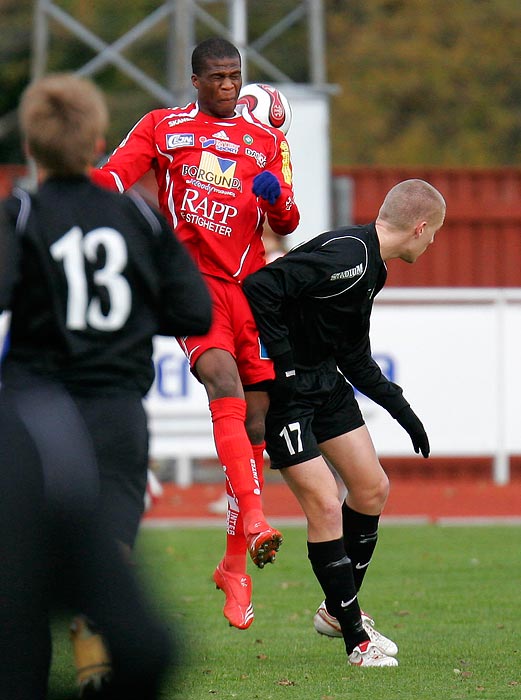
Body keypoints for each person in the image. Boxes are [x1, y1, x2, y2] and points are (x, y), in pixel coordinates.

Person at [0, 72, 212, 697]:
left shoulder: (24, 211)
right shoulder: (137, 215)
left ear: (31, 147)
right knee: (106, 558)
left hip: (38, 420)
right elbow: (194, 313)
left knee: (21, 584)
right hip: (119, 418)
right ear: (97, 141)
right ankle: (100, 645)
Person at [92, 37, 300, 630]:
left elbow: (287, 219)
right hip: (193, 284)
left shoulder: (267, 140)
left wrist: (275, 196)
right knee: (221, 378)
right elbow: (114, 177)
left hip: (252, 288)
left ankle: (234, 566)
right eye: (217, 77)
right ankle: (256, 518)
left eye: (235, 76)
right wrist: (71, 188)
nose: (229, 86)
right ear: (195, 80)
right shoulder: (164, 127)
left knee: (258, 420)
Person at [243, 179, 446, 667]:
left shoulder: (372, 269)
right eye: (434, 233)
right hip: (285, 391)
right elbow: (259, 287)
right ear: (420, 229)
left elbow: (353, 354)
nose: (433, 241)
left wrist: (402, 411)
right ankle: (356, 639)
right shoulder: (346, 257)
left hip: (324, 383)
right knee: (325, 505)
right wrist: (285, 367)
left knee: (372, 487)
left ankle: (338, 612)